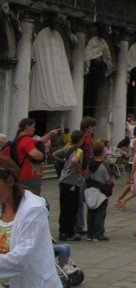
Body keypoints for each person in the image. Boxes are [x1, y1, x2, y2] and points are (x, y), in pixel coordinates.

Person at [0, 155, 62, 287]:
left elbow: (20, 260)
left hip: (34, 282)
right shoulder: (2, 205)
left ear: (10, 180)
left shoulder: (32, 209)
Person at [13, 118, 60, 195]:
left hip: (23, 175)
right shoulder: (26, 140)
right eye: (33, 127)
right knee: (33, 199)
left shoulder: (19, 139)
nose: (34, 129)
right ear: (27, 126)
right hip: (30, 176)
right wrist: (43, 156)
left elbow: (39, 143)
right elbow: (35, 154)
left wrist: (49, 135)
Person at [53, 129, 84, 241]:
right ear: (81, 140)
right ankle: (69, 231)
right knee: (72, 208)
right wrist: (74, 167)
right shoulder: (79, 150)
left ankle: (63, 232)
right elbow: (75, 160)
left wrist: (63, 162)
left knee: (64, 207)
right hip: (72, 182)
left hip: (63, 180)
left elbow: (54, 154)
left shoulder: (67, 149)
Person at [86, 142, 112, 242]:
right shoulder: (103, 166)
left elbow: (87, 176)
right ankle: (98, 234)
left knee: (90, 212)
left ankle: (90, 234)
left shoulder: (89, 165)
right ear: (102, 152)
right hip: (101, 191)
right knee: (100, 213)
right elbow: (108, 180)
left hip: (90, 191)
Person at [116, 123, 136, 210]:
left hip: (133, 162)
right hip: (134, 163)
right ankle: (120, 199)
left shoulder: (133, 139)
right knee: (132, 184)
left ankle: (120, 199)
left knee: (131, 184)